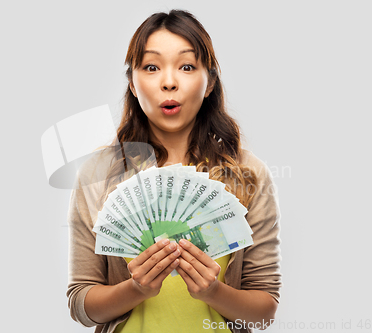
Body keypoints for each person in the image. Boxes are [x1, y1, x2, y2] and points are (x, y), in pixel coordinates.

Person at [66, 9, 282, 333]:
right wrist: (135, 289)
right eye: (151, 67)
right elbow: (81, 304)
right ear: (133, 84)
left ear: (209, 82)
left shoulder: (248, 175)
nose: (169, 82)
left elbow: (264, 312)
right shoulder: (97, 174)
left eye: (186, 66)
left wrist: (214, 292)